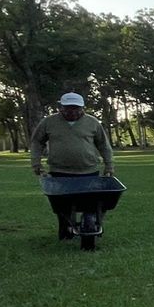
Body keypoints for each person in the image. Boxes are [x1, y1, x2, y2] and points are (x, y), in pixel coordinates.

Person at [30, 92, 114, 238]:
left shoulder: (92, 122)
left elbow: (103, 145)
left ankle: (91, 225)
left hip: (88, 171)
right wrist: (36, 163)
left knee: (90, 204)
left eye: (76, 108)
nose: (72, 112)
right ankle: (65, 230)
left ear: (82, 108)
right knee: (62, 206)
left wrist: (109, 165)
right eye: (68, 108)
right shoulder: (48, 122)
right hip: (60, 171)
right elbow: (37, 142)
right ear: (61, 108)